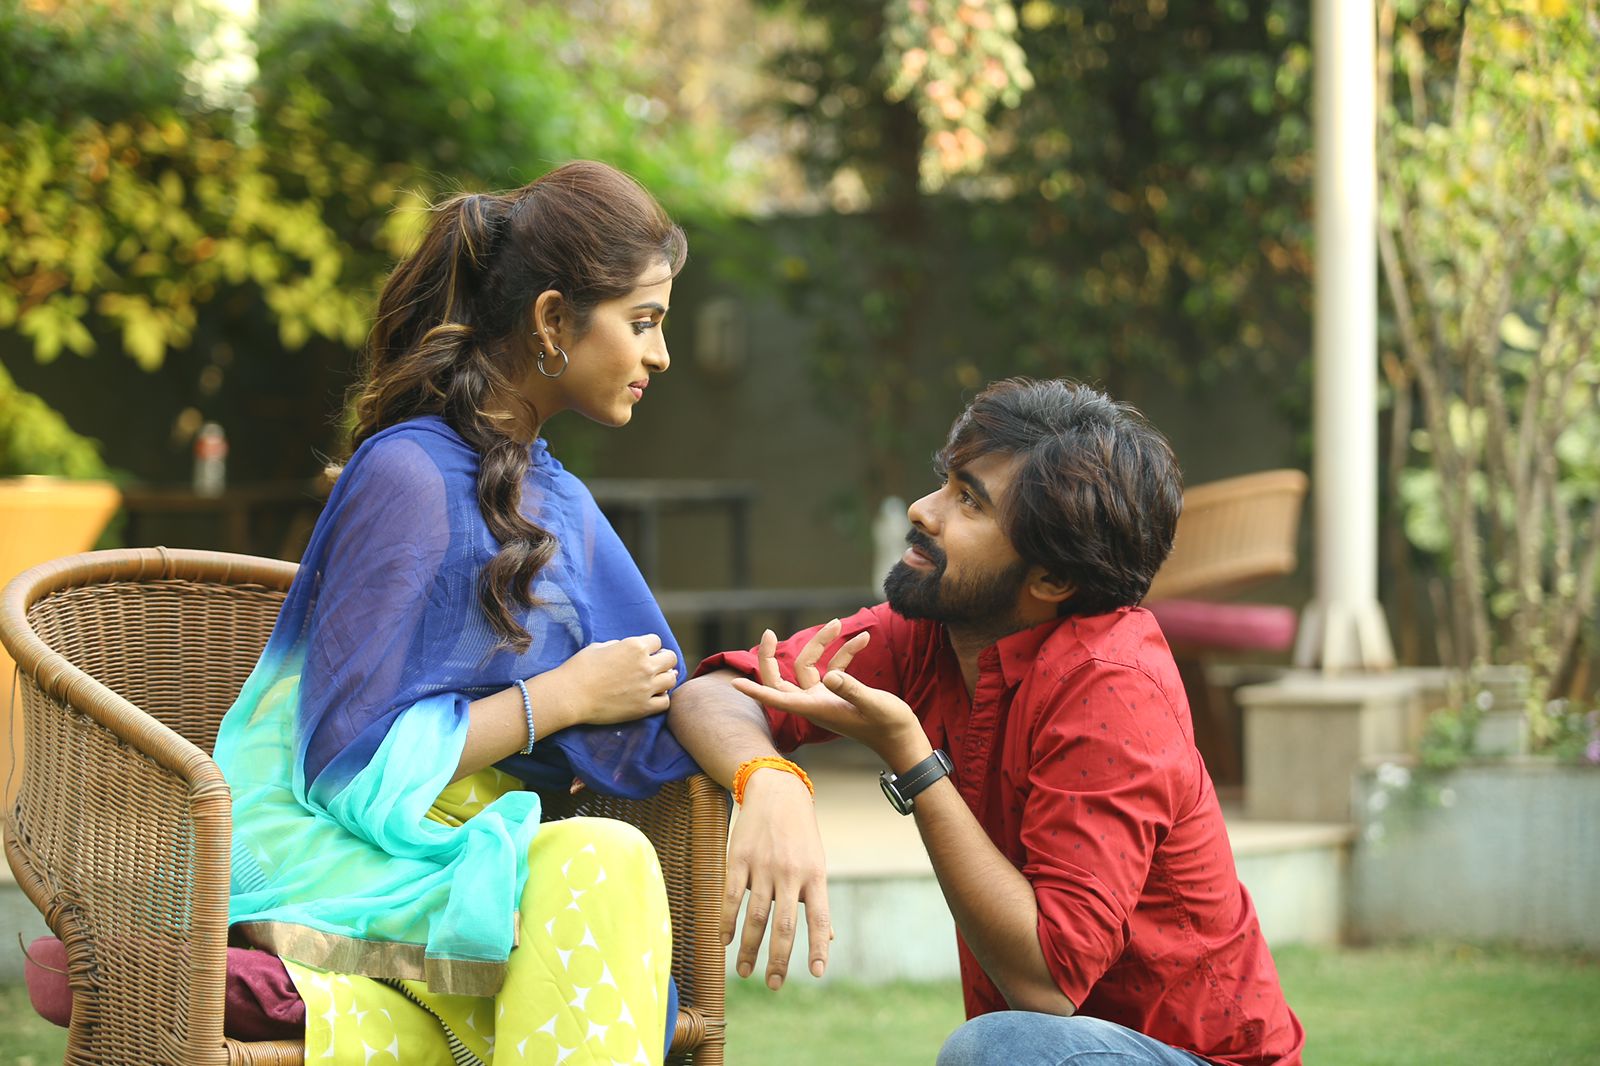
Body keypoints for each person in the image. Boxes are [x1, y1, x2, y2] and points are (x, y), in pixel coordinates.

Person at [213, 160, 697, 1065]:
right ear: (552, 320)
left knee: (597, 869)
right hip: (341, 853)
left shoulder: (559, 500)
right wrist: (560, 700)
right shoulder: (408, 475)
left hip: (471, 848)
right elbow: (346, 767)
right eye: (642, 322)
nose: (661, 354)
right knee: (601, 863)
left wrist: (769, 774)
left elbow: (660, 692)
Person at [668, 378, 1306, 1065]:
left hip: (1201, 1057)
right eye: (945, 482)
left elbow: (1046, 982)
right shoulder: (932, 633)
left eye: (969, 501)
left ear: (1052, 580)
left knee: (998, 1049)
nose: (924, 510)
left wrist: (914, 762)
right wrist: (769, 779)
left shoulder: (1112, 687)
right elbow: (712, 693)